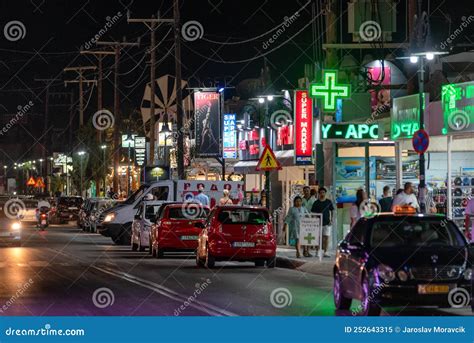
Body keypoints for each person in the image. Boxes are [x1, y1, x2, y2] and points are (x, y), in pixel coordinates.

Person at [311, 187, 335, 257]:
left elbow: (332, 211)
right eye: (321, 193)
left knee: (326, 237)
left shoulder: (328, 202)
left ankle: (325, 252)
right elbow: (313, 212)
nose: (322, 194)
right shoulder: (316, 202)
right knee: (318, 237)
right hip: (318, 223)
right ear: (319, 194)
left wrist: (331, 219)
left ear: (325, 193)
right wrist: (314, 221)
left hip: (327, 222)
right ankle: (318, 251)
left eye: (323, 192)